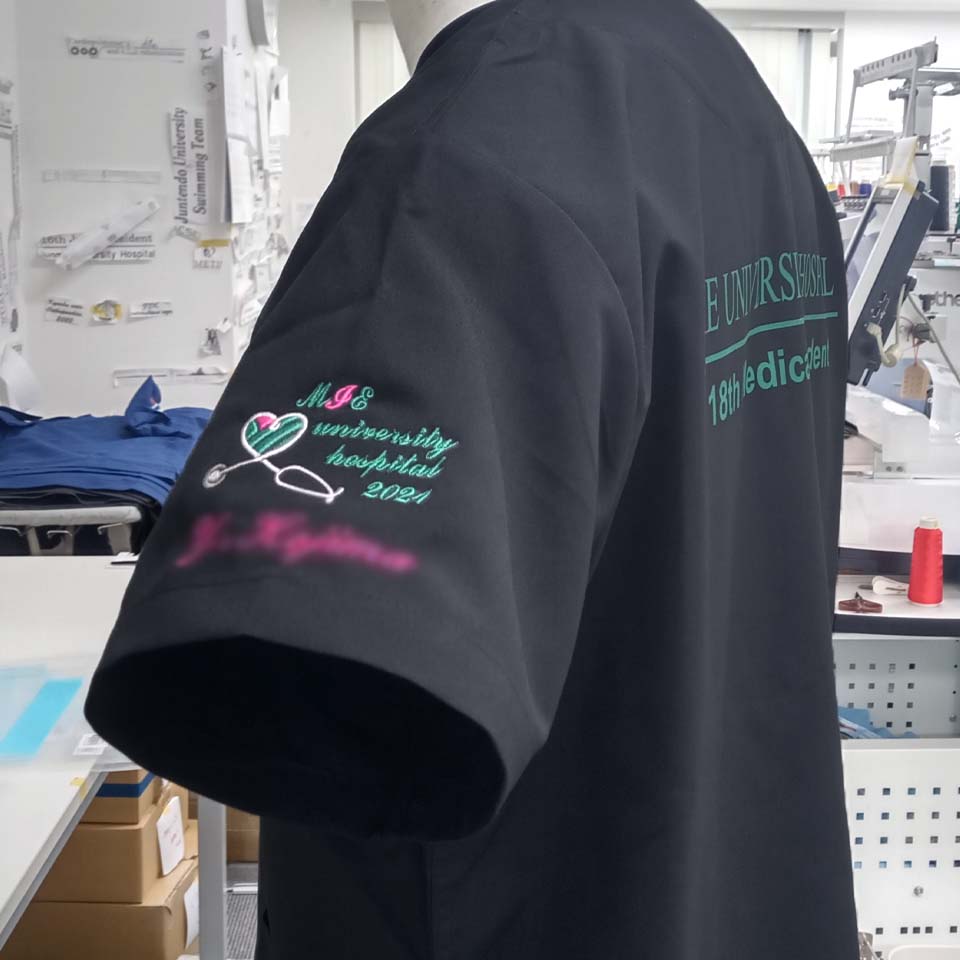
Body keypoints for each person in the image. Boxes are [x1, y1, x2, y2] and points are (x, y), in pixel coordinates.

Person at [85, 0, 857, 957]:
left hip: (546, 912)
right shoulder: (745, 117)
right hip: (738, 895)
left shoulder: (461, 161)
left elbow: (275, 666)